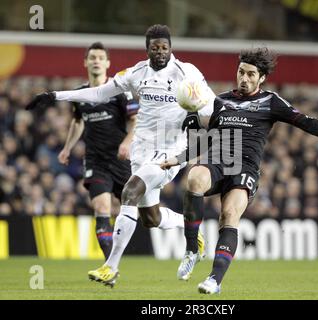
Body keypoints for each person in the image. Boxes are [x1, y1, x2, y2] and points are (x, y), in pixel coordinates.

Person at [26, 24, 214, 287]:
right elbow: (100, 92)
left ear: (171, 48)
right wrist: (56, 95)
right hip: (142, 151)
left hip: (170, 151)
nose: (160, 52)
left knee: (130, 192)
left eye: (165, 47)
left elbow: (212, 106)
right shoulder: (136, 73)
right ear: (147, 48)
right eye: (154, 47)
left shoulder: (187, 72)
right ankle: (189, 224)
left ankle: (110, 266)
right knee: (151, 219)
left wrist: (204, 118)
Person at [161, 47, 318, 294]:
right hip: (218, 161)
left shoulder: (271, 101)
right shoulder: (219, 101)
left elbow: (304, 120)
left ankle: (214, 280)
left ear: (261, 77)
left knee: (229, 215)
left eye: (251, 74)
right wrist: (178, 158)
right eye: (241, 72)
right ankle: (192, 249)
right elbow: (202, 139)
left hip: (245, 168)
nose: (244, 78)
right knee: (194, 178)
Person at [57, 42, 138, 260]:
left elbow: (135, 121)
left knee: (146, 214)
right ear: (85, 62)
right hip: (95, 161)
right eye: (92, 57)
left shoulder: (120, 91)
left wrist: (127, 142)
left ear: (108, 63)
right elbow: (77, 121)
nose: (96, 61)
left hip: (121, 160)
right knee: (102, 208)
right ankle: (109, 266)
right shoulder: (79, 94)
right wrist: (67, 148)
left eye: (100, 58)